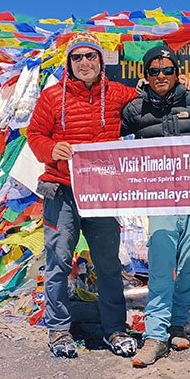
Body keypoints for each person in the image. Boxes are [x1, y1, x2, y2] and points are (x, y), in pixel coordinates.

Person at [26, 31, 139, 359]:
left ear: (101, 61)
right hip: (61, 190)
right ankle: (59, 328)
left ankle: (115, 328)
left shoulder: (118, 94)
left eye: (91, 56)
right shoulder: (51, 98)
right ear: (69, 62)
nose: (85, 63)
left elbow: (153, 100)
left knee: (107, 262)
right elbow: (34, 135)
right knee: (59, 260)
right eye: (77, 57)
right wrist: (51, 148)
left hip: (101, 193)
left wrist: (183, 87)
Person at [120, 46, 190, 368]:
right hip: (158, 195)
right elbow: (112, 145)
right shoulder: (134, 109)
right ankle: (155, 335)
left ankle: (178, 323)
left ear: (178, 72)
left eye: (167, 70)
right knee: (162, 261)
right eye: (154, 71)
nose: (161, 76)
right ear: (145, 75)